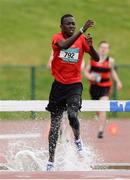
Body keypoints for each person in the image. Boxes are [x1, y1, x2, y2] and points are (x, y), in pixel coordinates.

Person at [46, 14, 99, 171]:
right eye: (68, 24)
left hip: (74, 85)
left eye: (74, 24)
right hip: (58, 87)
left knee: (72, 115)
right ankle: (50, 161)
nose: (72, 26)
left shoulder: (81, 39)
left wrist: (91, 46)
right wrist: (82, 30)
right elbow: (64, 46)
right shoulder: (57, 38)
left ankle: (77, 140)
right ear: (61, 26)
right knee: (55, 127)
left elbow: (96, 59)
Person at [84, 41, 122, 139]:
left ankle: (100, 130)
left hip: (105, 86)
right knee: (98, 110)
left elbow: (112, 71)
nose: (104, 49)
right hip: (94, 87)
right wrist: (90, 77)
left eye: (106, 48)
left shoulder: (110, 61)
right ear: (99, 48)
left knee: (103, 106)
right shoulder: (93, 58)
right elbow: (86, 71)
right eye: (102, 47)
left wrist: (118, 82)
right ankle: (102, 118)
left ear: (108, 50)